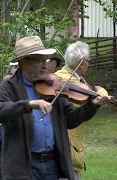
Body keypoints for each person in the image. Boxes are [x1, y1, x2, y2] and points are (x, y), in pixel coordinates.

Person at [0, 36, 112, 180]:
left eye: (44, 60)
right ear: (23, 63)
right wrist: (28, 104)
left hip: (53, 164)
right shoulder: (10, 87)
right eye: (38, 61)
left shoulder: (52, 84)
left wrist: (92, 105)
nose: (44, 65)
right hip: (24, 165)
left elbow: (70, 120)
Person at [54, 41, 97, 179]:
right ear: (82, 63)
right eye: (88, 61)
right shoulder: (68, 81)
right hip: (66, 149)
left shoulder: (61, 77)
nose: (89, 64)